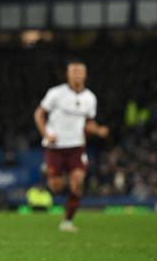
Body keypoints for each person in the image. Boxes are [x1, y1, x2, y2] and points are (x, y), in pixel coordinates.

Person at [33, 60, 109, 232]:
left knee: (77, 182)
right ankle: (58, 177)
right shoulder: (55, 93)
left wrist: (98, 130)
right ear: (67, 74)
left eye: (79, 71)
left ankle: (67, 221)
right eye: (73, 71)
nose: (76, 74)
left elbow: (88, 123)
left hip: (76, 146)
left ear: (85, 75)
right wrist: (46, 134)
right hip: (55, 147)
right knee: (56, 187)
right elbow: (38, 114)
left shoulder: (90, 98)